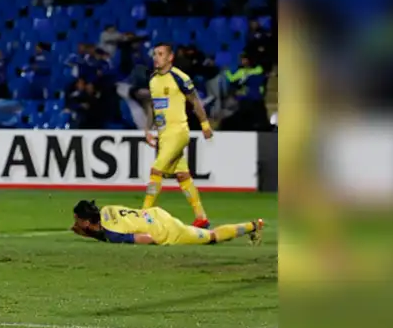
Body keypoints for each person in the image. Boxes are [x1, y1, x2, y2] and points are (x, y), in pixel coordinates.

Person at [144, 42, 213, 228]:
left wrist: (205, 124)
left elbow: (195, 101)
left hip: (178, 132)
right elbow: (153, 106)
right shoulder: (153, 79)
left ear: (170, 57)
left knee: (156, 170)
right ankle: (201, 217)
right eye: (154, 54)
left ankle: (144, 215)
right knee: (183, 176)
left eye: (160, 54)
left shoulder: (179, 77)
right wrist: (148, 129)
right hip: (164, 135)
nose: (156, 57)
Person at [69, 200, 263, 246]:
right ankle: (252, 227)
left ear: (86, 222)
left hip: (167, 231)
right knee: (197, 231)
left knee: (211, 236)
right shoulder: (106, 209)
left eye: (77, 219)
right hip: (156, 214)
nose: (75, 222)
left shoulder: (111, 234)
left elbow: (147, 238)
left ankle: (253, 226)